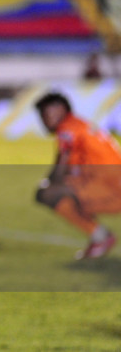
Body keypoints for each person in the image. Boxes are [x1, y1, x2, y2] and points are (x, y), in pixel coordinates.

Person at [34, 92, 121, 259]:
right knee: (65, 188)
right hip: (108, 183)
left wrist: (49, 182)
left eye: (45, 114)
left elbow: (63, 162)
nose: (44, 120)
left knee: (48, 193)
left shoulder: (67, 130)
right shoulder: (79, 125)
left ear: (59, 110)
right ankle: (99, 236)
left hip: (112, 189)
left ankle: (100, 237)